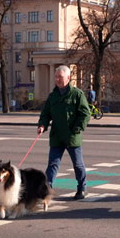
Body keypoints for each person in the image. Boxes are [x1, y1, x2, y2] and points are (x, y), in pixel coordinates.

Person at [37, 65, 91, 200]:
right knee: (52, 164)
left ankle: (81, 188)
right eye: (56, 77)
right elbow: (45, 114)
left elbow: (85, 114)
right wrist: (42, 125)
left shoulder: (77, 94)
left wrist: (77, 128)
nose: (57, 79)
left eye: (60, 77)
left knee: (78, 164)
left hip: (72, 136)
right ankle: (47, 189)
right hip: (57, 136)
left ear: (68, 78)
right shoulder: (53, 96)